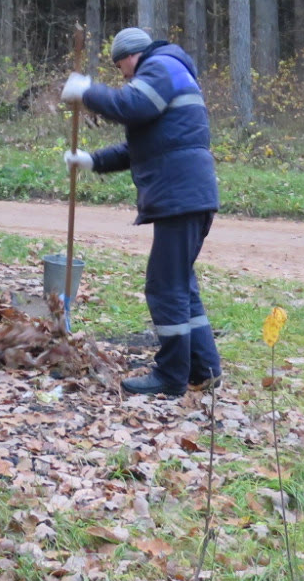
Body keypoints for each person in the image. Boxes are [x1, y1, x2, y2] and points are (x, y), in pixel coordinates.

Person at [62, 26, 222, 397]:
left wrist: (87, 90)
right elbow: (144, 144)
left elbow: (129, 106)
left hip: (180, 195)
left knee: (164, 287)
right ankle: (204, 367)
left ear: (130, 57)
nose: (125, 78)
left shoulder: (161, 68)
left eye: (122, 70)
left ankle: (171, 376)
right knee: (180, 285)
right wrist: (91, 161)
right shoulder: (171, 73)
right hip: (188, 192)